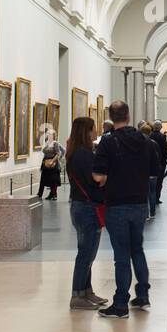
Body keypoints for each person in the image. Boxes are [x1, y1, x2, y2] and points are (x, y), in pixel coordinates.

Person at [92, 100, 162, 318]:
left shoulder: (107, 142)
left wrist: (105, 179)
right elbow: (154, 172)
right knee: (137, 249)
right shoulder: (146, 141)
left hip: (117, 203)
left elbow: (99, 175)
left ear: (111, 117)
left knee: (121, 254)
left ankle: (121, 303)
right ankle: (142, 295)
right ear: (129, 116)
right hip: (140, 203)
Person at [64, 116, 108, 310]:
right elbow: (95, 179)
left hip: (81, 205)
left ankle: (86, 291)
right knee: (86, 253)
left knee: (88, 252)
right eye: (93, 128)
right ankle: (77, 295)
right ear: (87, 131)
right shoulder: (83, 154)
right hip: (87, 207)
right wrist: (105, 178)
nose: (96, 131)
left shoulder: (78, 152)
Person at [149, 121, 167, 209]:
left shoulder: (150, 135)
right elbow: (165, 150)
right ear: (160, 127)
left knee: (150, 182)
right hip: (160, 162)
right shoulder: (162, 136)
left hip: (150, 162)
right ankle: (157, 198)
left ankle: (150, 199)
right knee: (159, 181)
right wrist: (164, 159)